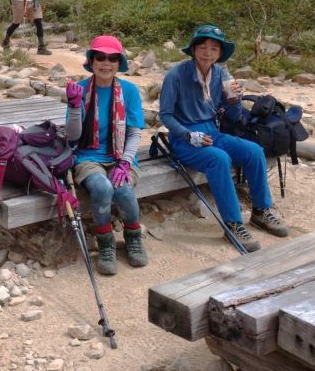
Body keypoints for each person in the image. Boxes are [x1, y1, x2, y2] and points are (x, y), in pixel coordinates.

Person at [159, 24, 289, 252]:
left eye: (214, 48)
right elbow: (166, 115)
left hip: (212, 132)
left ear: (220, 53)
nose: (207, 52)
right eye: (202, 46)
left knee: (254, 151)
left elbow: (234, 116)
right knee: (218, 158)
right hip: (183, 137)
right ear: (193, 49)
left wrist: (234, 100)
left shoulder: (220, 74)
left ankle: (261, 210)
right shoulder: (176, 75)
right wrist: (188, 135)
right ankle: (233, 223)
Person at [65, 35, 147, 275]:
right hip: (87, 156)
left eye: (113, 58)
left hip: (122, 156)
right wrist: (74, 107)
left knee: (123, 190)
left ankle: (133, 236)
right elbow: (72, 136)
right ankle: (105, 242)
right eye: (100, 57)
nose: (106, 63)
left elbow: (134, 132)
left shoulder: (129, 91)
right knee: (102, 188)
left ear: (119, 63)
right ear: (91, 61)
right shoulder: (79, 89)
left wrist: (125, 162)